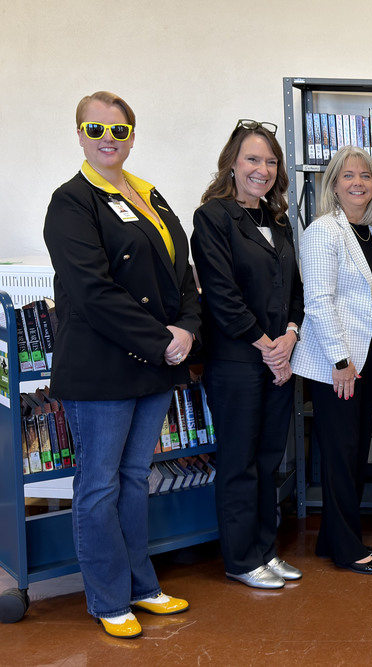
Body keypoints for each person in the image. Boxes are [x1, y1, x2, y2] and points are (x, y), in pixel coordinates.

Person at [43, 91, 199, 638]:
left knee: (135, 480)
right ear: (80, 133)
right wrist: (162, 341)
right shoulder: (71, 201)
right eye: (96, 129)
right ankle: (108, 598)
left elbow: (182, 273)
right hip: (102, 368)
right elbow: (92, 292)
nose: (108, 139)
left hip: (154, 363)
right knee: (99, 487)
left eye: (118, 130)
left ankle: (141, 585)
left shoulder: (149, 193)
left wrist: (188, 329)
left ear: (132, 135)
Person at [191, 119, 303, 589]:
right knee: (239, 461)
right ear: (232, 164)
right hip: (239, 360)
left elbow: (296, 291)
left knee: (268, 458)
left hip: (280, 357)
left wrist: (290, 338)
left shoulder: (277, 221)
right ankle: (240, 559)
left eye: (270, 161)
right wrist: (268, 348)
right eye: (252, 159)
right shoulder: (213, 217)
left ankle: (265, 550)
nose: (262, 169)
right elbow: (221, 295)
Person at [290, 146, 372, 575]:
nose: (358, 183)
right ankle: (348, 549)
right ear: (333, 184)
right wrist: (340, 360)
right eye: (348, 176)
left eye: (365, 176)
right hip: (339, 365)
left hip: (364, 362)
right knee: (340, 454)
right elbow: (317, 301)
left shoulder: (371, 232)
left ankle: (332, 539)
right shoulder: (323, 231)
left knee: (352, 454)